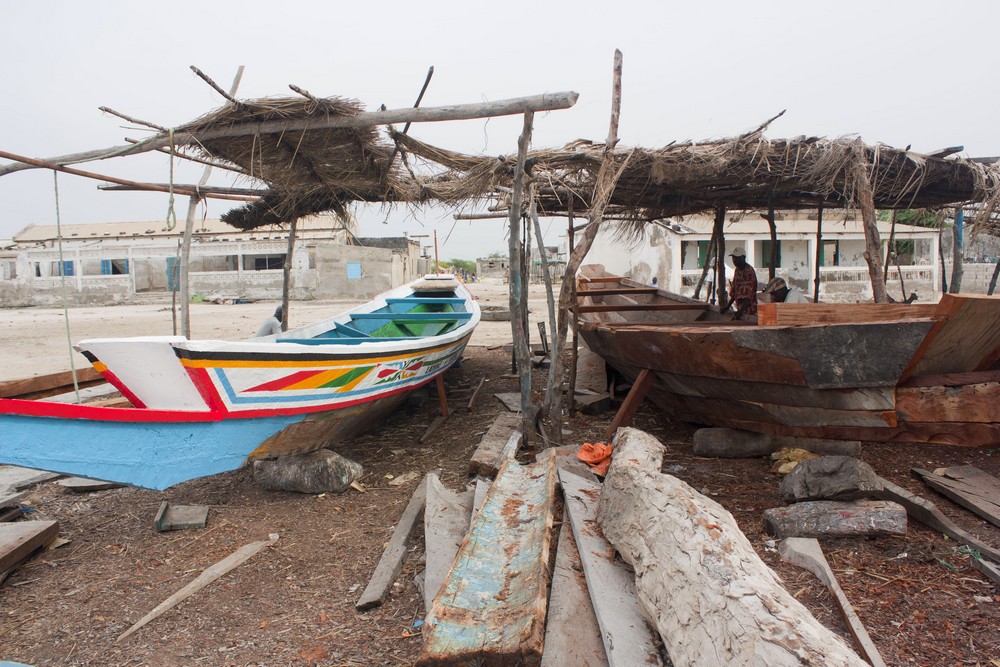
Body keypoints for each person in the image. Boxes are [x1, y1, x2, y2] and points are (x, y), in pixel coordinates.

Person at [722, 247, 757, 319]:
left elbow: (747, 296)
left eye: (737, 258)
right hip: (740, 309)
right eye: (733, 258)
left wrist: (740, 312)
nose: (734, 260)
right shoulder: (737, 270)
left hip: (750, 311)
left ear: (743, 258)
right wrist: (727, 307)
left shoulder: (749, 272)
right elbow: (734, 292)